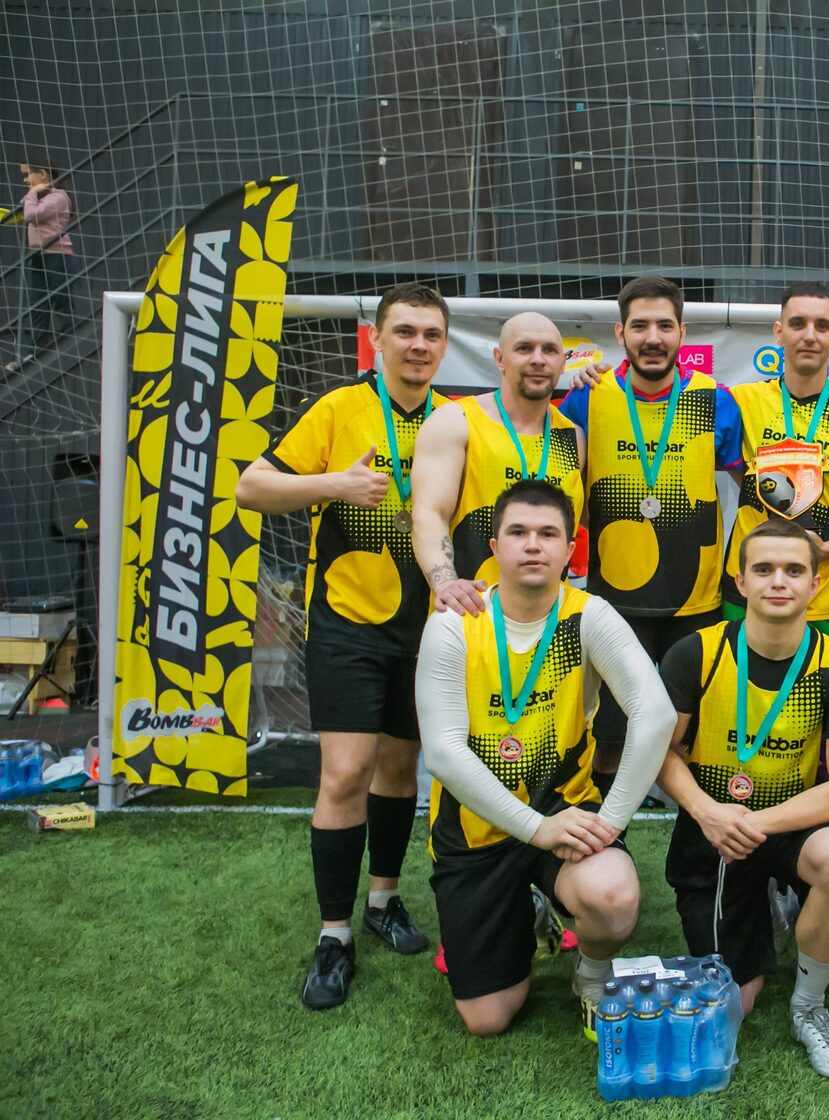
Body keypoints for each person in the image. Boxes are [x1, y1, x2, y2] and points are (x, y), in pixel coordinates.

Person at [235, 283, 451, 1009]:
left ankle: (383, 900)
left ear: (443, 346)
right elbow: (251, 488)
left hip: (428, 631)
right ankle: (334, 936)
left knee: (398, 768)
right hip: (348, 623)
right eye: (405, 331)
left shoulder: (456, 420)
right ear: (378, 339)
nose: (418, 345)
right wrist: (337, 484)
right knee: (345, 773)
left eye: (431, 334)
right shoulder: (338, 407)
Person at [414, 479, 674, 1036]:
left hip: (565, 807)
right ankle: (529, 915)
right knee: (487, 1020)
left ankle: (592, 972)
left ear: (571, 549)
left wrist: (610, 822)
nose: (533, 544)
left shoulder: (589, 615)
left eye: (548, 533)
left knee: (612, 895)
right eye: (518, 532)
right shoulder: (454, 623)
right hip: (476, 828)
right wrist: (536, 829)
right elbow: (443, 754)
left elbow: (655, 714)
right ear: (494, 545)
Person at [656, 519, 829, 1078]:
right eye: (765, 569)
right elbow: (657, 753)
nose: (779, 581)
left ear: (815, 585)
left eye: (794, 570)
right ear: (741, 582)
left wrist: (758, 822)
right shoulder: (696, 653)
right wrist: (707, 812)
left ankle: (809, 1007)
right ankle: (768, 910)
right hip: (712, 830)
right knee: (738, 1002)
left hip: (787, 824)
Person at [556, 276, 745, 790]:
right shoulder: (586, 398)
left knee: (698, 739)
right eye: (640, 326)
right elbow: (557, 491)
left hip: (698, 603)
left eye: (665, 325)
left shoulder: (715, 399)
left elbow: (755, 493)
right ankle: (605, 835)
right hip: (614, 602)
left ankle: (700, 840)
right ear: (621, 333)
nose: (653, 337)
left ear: (683, 332)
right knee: (611, 740)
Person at [724, 281, 829, 644]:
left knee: (822, 682)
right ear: (779, 332)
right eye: (797, 323)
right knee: (739, 681)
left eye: (821, 326)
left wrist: (827, 549)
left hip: (827, 597)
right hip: (748, 593)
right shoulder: (740, 402)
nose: (809, 335)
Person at [410, 310, 585, 615]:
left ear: (562, 362)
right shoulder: (457, 420)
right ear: (500, 358)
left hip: (548, 623)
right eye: (524, 348)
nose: (538, 359)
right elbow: (429, 513)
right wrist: (446, 583)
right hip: (471, 614)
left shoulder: (573, 436)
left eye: (549, 350)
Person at [11, 156, 73, 366]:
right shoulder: (41, 197)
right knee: (38, 305)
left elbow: (32, 215)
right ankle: (36, 350)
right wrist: (32, 195)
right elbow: (26, 209)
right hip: (39, 256)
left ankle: (68, 340)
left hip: (58, 255)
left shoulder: (59, 197)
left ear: (43, 174)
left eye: (27, 174)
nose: (25, 180)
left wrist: (31, 195)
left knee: (61, 301)